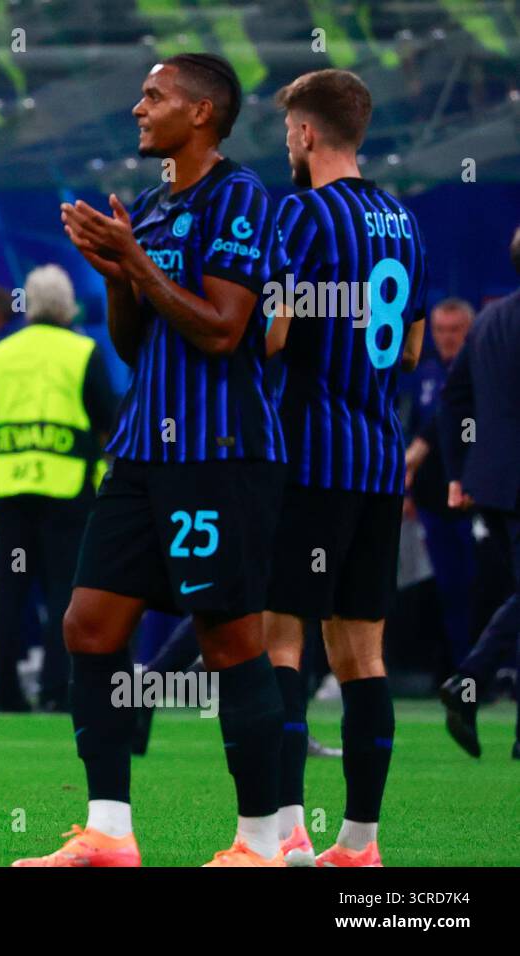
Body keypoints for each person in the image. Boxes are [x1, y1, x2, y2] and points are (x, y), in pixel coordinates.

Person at [18, 54, 286, 867]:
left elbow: (223, 328)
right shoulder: (150, 206)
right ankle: (108, 832)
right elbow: (136, 348)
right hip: (141, 448)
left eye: (153, 96)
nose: (138, 108)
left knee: (229, 642)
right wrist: (117, 277)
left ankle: (262, 843)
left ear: (201, 113)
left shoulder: (238, 197)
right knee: (88, 626)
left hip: (219, 452)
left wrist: (135, 263)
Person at [261, 70, 429, 868]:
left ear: (305, 134)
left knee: (280, 641)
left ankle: (287, 829)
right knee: (364, 656)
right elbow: (418, 346)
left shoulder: (300, 214)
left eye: (287, 129)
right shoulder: (405, 222)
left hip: (309, 458)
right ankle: (360, 844)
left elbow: (270, 334)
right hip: (379, 462)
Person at [0, 264, 115, 713]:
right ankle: (57, 690)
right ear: (68, 304)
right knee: (63, 590)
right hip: (66, 489)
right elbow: (108, 420)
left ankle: (4, 692)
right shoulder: (83, 350)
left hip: (10, 488)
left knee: (9, 592)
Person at [438, 226, 520, 761]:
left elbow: (453, 398)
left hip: (494, 482)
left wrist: (458, 472)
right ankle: (467, 679)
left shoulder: (490, 318)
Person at [404, 299, 476, 669]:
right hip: (433, 501)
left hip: (475, 498)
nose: (448, 338)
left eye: (455, 330)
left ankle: (490, 671)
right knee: (447, 588)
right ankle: (458, 670)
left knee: (479, 585)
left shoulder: (482, 368)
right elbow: (415, 426)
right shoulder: (427, 373)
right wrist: (409, 485)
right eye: (441, 330)